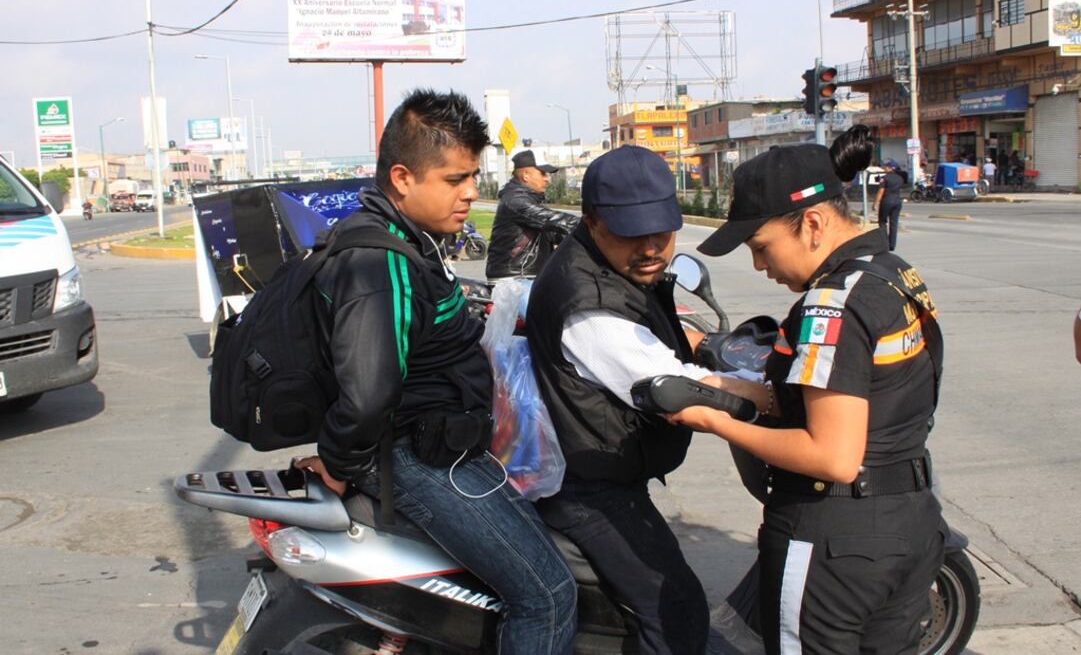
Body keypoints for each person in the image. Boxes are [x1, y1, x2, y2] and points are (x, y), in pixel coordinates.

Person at [294, 89, 576, 654]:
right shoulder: (382, 262)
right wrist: (340, 463)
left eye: (473, 176)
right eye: (455, 179)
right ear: (402, 177)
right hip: (417, 458)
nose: (471, 191)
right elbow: (369, 391)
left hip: (434, 446)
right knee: (547, 594)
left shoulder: (407, 243)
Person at [675, 125, 946, 654]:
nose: (760, 265)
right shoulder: (893, 273)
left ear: (813, 223)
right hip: (909, 522)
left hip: (835, 536)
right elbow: (866, 398)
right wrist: (728, 387)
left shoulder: (833, 304)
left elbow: (832, 456)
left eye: (762, 247)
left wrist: (715, 421)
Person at [526, 145, 710, 655]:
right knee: (676, 608)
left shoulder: (607, 268)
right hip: (590, 489)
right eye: (634, 233)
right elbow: (677, 392)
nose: (652, 247)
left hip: (604, 468)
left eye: (663, 231)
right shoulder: (589, 305)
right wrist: (759, 400)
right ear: (593, 221)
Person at [485, 149, 579, 279]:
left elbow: (555, 232)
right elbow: (553, 220)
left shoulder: (529, 199)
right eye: (542, 173)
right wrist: (591, 223)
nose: (547, 179)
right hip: (515, 280)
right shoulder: (515, 200)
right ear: (526, 175)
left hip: (530, 276)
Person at [873, 159, 904, 250]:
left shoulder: (885, 178)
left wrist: (876, 203)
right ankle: (892, 245)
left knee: (882, 222)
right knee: (894, 223)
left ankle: (884, 243)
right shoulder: (900, 178)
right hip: (897, 202)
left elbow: (881, 191)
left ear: (890, 168)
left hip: (887, 201)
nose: (884, 168)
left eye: (886, 166)